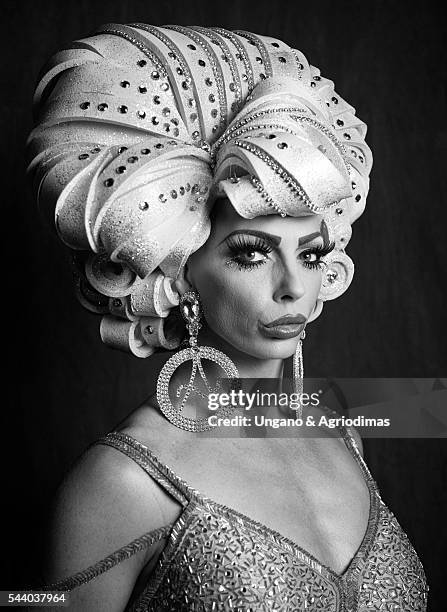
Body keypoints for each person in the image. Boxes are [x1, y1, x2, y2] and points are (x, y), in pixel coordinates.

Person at [27, 23, 428, 611]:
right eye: (251, 254)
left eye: (311, 254)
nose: (294, 288)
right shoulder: (122, 481)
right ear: (182, 269)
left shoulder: (341, 419)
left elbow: (425, 406)